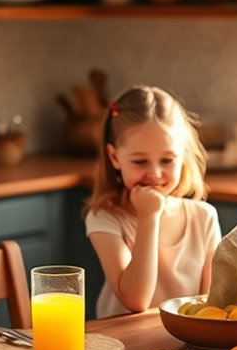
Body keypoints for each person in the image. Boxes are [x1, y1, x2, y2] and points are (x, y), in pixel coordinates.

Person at [86, 85, 221, 318]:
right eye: (140, 162)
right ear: (114, 157)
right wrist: (149, 216)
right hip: (119, 339)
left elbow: (211, 305)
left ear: (182, 156)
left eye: (167, 160)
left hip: (183, 338)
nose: (155, 173)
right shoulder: (104, 219)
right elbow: (136, 300)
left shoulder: (204, 217)